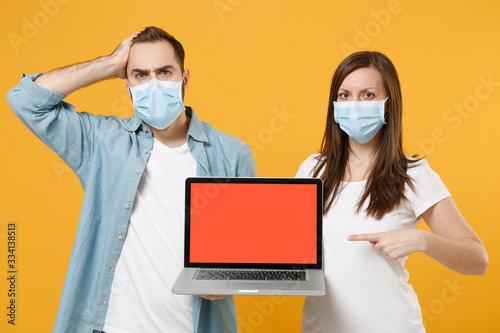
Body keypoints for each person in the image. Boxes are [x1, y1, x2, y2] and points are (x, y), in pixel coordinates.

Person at [7, 26, 256, 333]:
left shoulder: (232, 154)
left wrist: (230, 278)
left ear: (185, 79)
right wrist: (110, 63)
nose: (153, 83)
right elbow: (25, 100)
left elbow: (247, 254)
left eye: (164, 72)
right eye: (140, 75)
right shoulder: (102, 142)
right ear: (127, 85)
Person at [295, 51, 488, 332]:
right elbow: (280, 248)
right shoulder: (313, 170)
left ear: (387, 104)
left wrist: (422, 240)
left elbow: (477, 259)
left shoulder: (412, 174)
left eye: (368, 95)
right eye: (345, 95)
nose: (354, 104)